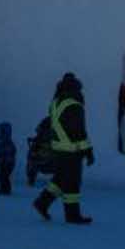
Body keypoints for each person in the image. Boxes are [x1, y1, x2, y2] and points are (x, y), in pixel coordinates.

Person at [33, 72, 94, 224]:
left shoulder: (56, 101)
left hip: (58, 148)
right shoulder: (73, 104)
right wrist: (88, 150)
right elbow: (79, 130)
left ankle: (42, 202)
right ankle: (72, 215)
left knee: (60, 179)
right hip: (71, 150)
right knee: (72, 183)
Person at [0, 122, 17, 195]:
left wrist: (1, 160)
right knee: (2, 175)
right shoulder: (3, 141)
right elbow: (2, 153)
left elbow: (8, 154)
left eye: (1, 131)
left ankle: (5, 190)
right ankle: (3, 188)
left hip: (7, 163)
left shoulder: (7, 142)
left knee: (4, 176)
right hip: (4, 163)